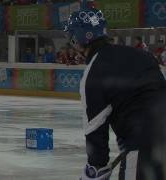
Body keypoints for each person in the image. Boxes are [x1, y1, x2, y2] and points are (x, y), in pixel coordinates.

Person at [65, 8, 166, 179]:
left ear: (76, 39)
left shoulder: (93, 73)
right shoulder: (141, 55)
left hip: (145, 149)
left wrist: (96, 168)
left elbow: (95, 129)